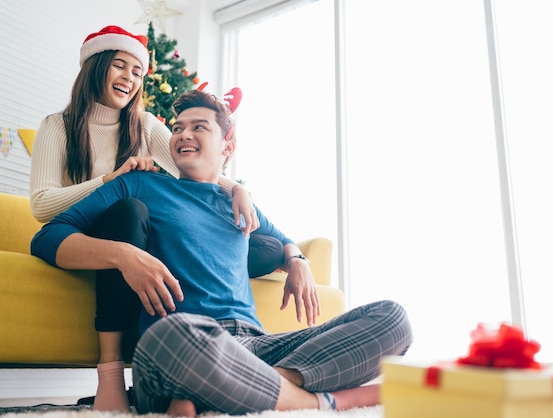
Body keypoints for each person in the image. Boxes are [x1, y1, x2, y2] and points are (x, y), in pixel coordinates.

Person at [30, 88, 414, 415]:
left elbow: (284, 241)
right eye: (178, 128)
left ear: (227, 145)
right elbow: (48, 237)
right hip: (181, 343)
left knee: (392, 318)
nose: (183, 134)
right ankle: (319, 403)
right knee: (175, 335)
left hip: (254, 346)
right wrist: (123, 255)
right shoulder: (141, 185)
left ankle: (251, 389)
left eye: (199, 127)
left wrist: (297, 260)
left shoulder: (239, 203)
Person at [29, 25, 283, 412]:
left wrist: (240, 190)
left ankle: (213, 343)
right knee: (130, 210)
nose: (129, 79)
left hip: (153, 241)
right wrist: (112, 179)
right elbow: (43, 207)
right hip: (94, 235)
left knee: (263, 246)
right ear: (95, 68)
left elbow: (199, 168)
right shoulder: (57, 127)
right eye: (119, 66)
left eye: (137, 72)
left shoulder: (146, 125)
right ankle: (112, 374)